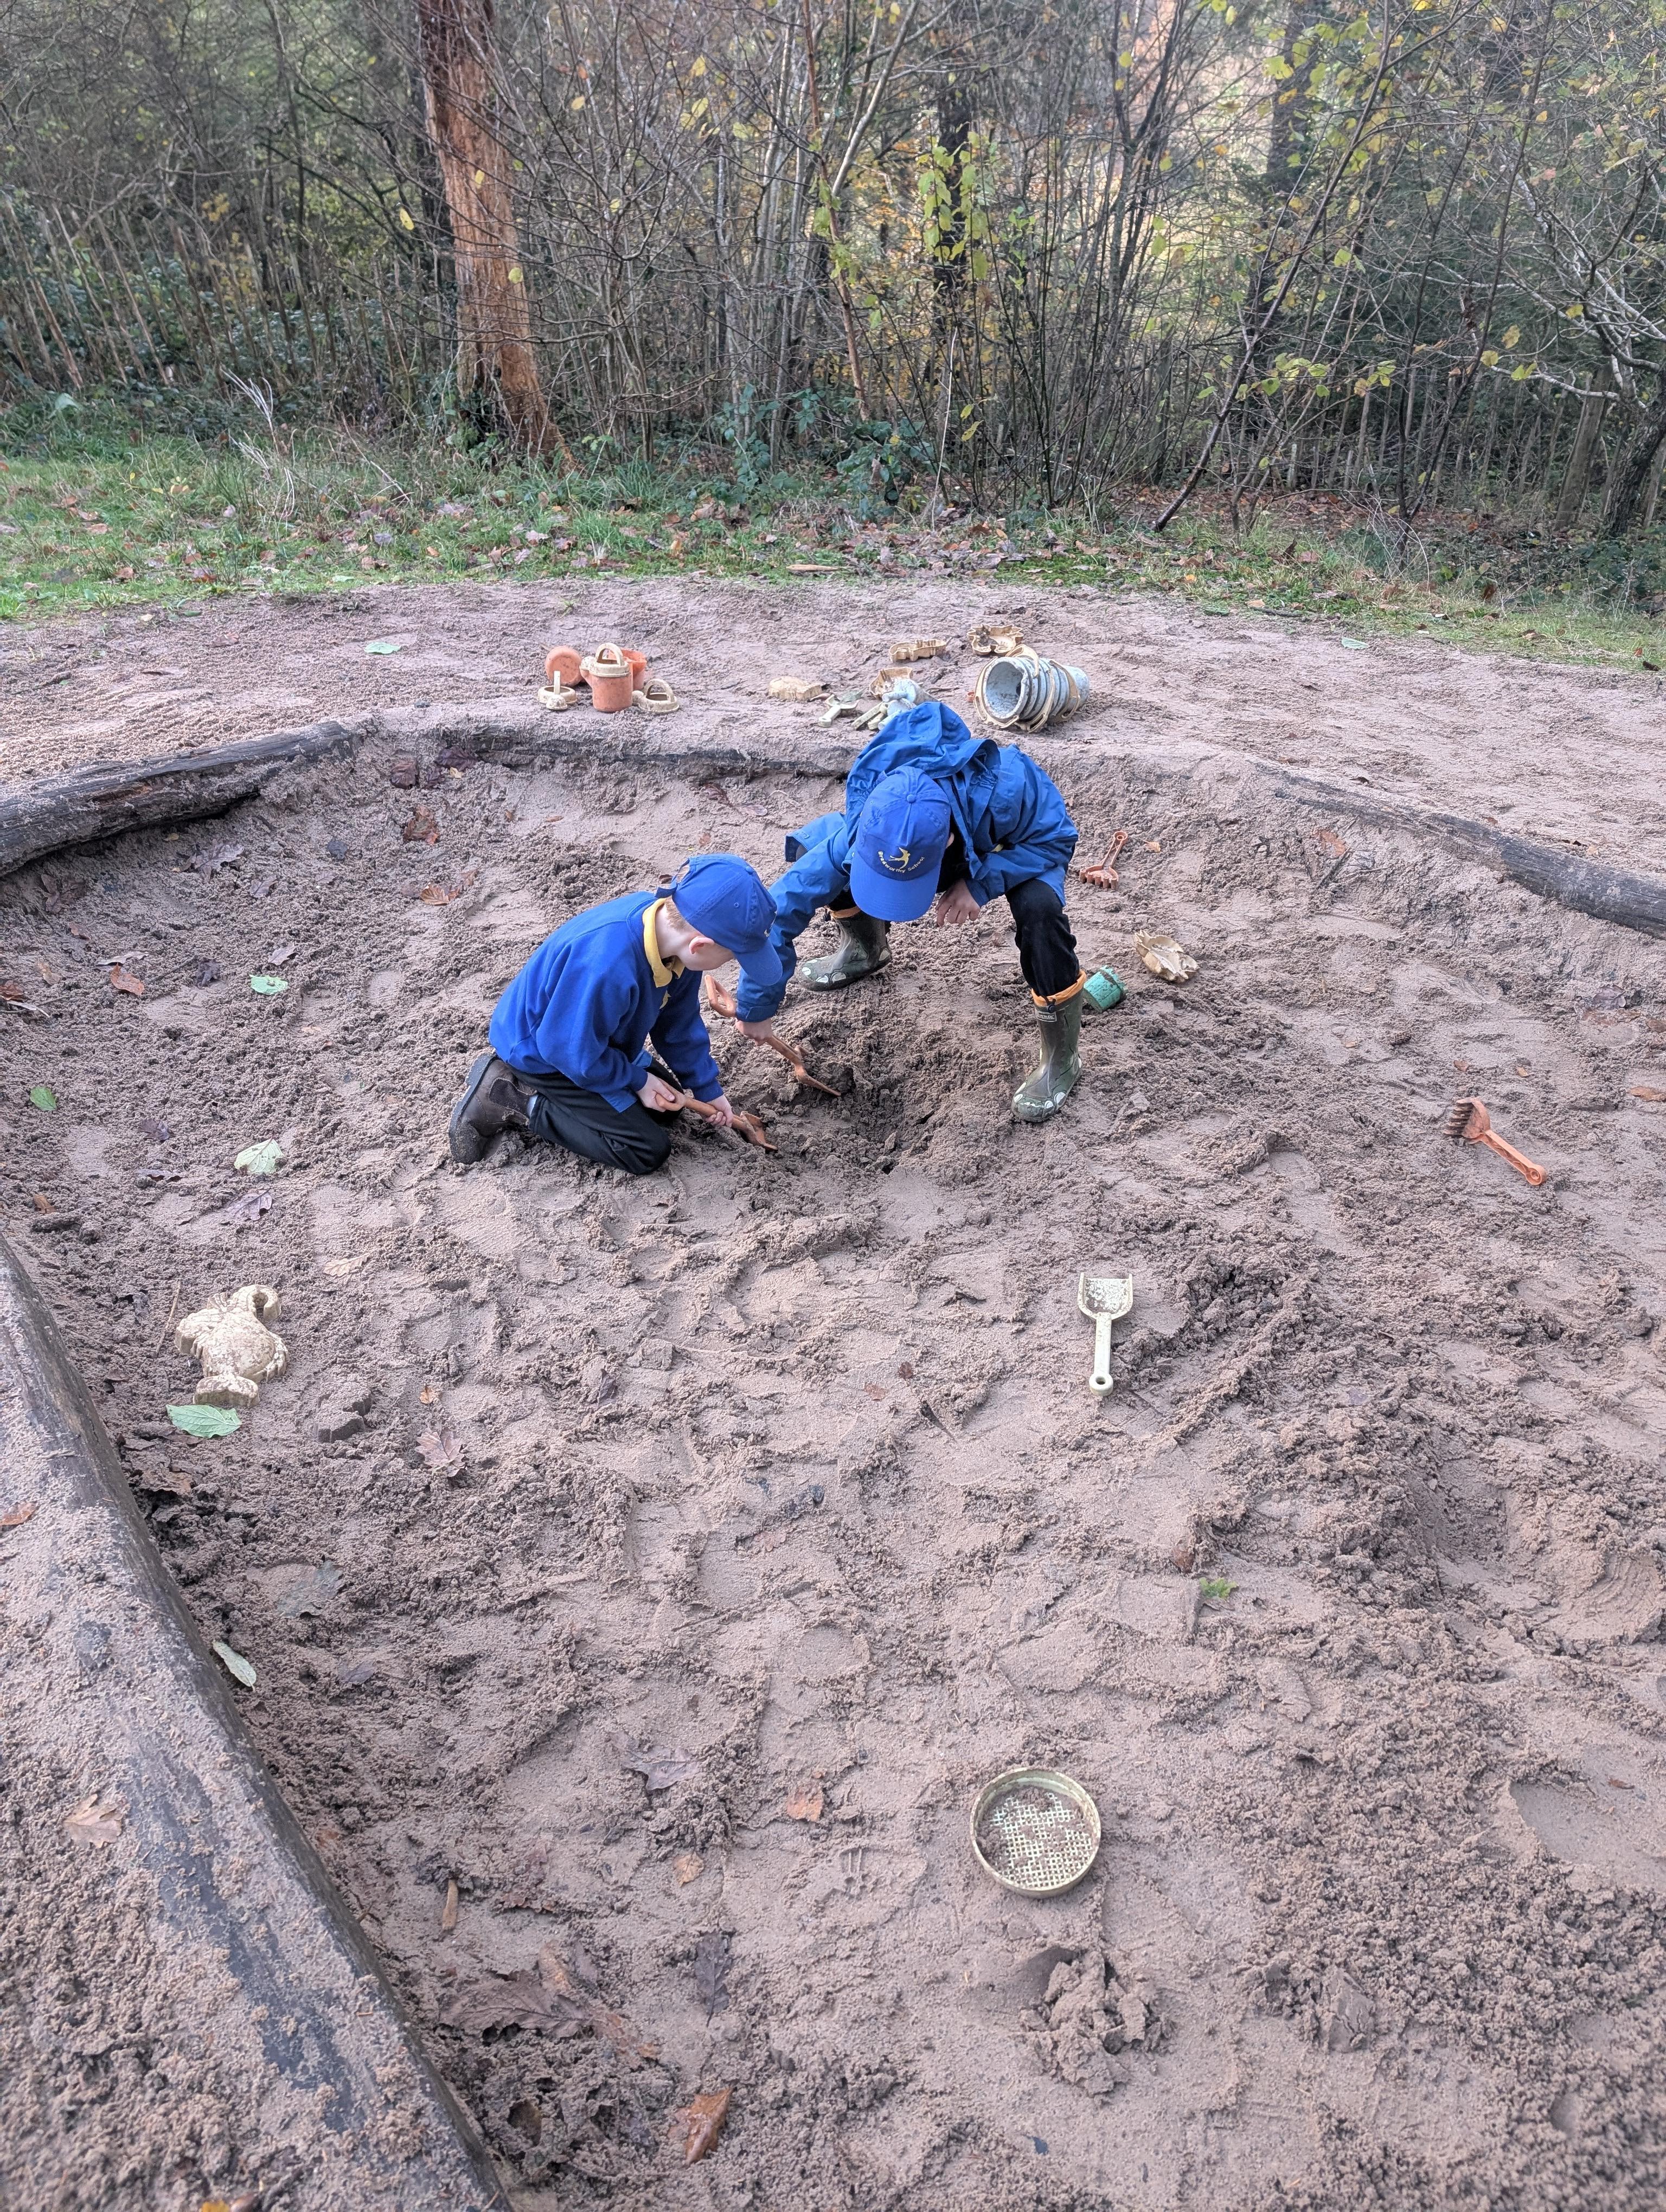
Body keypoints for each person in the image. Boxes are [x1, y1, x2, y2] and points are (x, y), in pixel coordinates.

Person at [732, 700, 1084, 1121]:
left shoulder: (1010, 786)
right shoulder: (874, 813)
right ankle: (866, 949)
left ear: (947, 844)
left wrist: (980, 883)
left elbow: (1056, 841)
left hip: (1008, 852)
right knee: (816, 853)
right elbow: (781, 909)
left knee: (1040, 910)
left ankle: (1061, 1056)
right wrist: (756, 1007)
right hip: (922, 842)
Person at [447, 853, 780, 1174]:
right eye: (732, 957)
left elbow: (677, 1024)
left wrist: (706, 1087)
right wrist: (636, 1080)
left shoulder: (675, 944)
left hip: (593, 1041)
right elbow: (567, 1050)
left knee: (669, 1108)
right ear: (700, 945)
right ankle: (511, 1096)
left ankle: (612, 1079)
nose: (731, 964)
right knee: (645, 1149)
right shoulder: (605, 966)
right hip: (545, 1052)